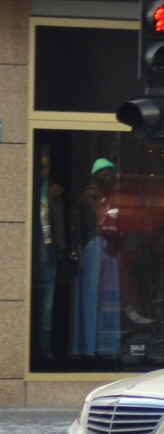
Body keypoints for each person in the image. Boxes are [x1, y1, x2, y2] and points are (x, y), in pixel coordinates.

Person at [72, 158, 121, 358]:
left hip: (105, 249)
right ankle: (88, 347)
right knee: (91, 299)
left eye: (111, 172)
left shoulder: (106, 200)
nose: (109, 176)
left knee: (104, 299)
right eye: (105, 172)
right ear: (96, 175)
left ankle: (100, 346)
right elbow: (80, 231)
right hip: (93, 248)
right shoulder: (87, 199)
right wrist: (79, 254)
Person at [33, 145, 70, 362]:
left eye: (46, 167)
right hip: (32, 257)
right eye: (40, 166)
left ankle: (45, 355)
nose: (43, 171)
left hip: (49, 258)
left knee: (46, 309)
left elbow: (59, 229)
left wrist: (62, 256)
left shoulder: (54, 193)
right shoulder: (30, 191)